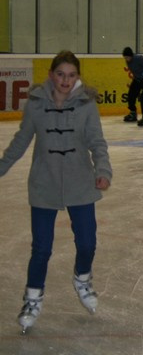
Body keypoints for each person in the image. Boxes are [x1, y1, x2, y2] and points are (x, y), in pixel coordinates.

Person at [0, 50, 112, 333]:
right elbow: (21, 140)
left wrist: (103, 170)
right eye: (60, 74)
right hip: (44, 183)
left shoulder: (86, 104)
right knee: (41, 249)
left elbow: (97, 142)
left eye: (71, 75)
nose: (65, 80)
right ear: (51, 75)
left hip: (80, 183)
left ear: (77, 77)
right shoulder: (36, 104)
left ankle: (82, 279)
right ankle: (32, 300)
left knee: (87, 243)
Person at [121, 46, 143, 122]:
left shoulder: (139, 58)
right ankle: (133, 112)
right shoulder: (128, 61)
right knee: (131, 95)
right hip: (137, 79)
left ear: (131, 56)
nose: (126, 59)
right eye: (125, 58)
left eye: (127, 57)